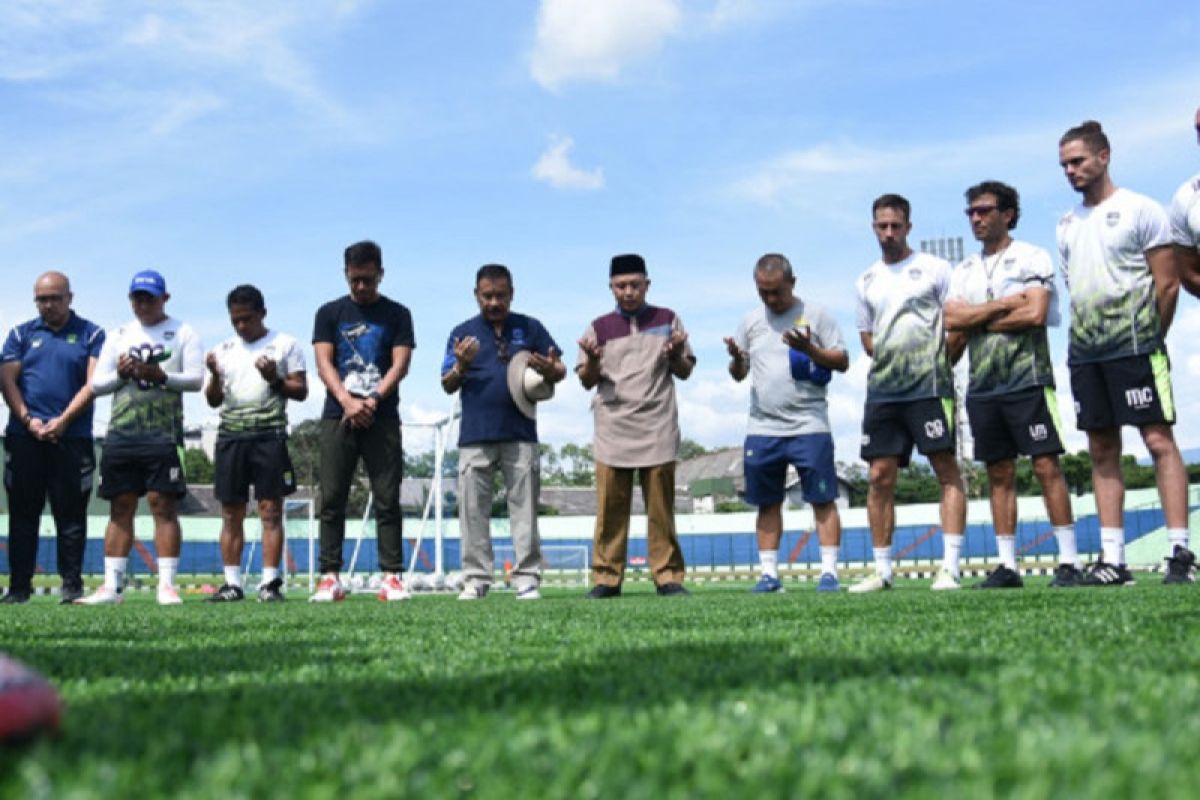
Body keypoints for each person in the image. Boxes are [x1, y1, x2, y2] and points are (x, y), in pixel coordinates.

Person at [1056, 120, 1192, 585]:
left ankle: (1180, 552)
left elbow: (1167, 283)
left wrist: (1150, 337)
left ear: (1103, 156)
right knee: (1101, 448)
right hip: (1085, 353)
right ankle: (1114, 559)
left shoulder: (1142, 210)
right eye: (1064, 165)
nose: (1070, 171)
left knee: (1157, 441)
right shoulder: (1067, 223)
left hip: (1136, 349)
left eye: (1077, 161)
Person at [944, 181, 1084, 589]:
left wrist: (978, 318)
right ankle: (1008, 565)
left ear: (1008, 214)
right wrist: (1004, 304)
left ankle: (1070, 562)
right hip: (982, 386)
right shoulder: (964, 270)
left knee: (1046, 466)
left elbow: (1035, 313)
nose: (976, 218)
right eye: (971, 212)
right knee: (998, 473)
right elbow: (952, 320)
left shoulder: (1031, 256)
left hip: (1029, 379)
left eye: (984, 210)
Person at [852, 194, 966, 593]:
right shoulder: (865, 280)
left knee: (945, 469)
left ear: (908, 227)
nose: (888, 233)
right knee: (879, 476)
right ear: (873, 228)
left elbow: (958, 323)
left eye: (895, 226)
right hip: (883, 391)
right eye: (881, 226)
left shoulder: (935, 268)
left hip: (930, 389)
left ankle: (949, 567)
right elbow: (867, 337)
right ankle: (882, 571)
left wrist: (937, 364)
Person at [724, 254, 849, 593]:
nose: (770, 299)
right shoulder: (750, 321)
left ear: (792, 282)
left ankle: (829, 573)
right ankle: (769, 575)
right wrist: (736, 360)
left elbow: (842, 360)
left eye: (776, 292)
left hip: (810, 423)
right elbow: (739, 375)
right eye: (763, 292)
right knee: (767, 502)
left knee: (822, 500)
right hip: (763, 427)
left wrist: (811, 349)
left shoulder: (818, 315)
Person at [77, 270, 203, 605]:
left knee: (163, 506)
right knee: (120, 506)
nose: (143, 304)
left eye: (150, 297)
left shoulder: (183, 331)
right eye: (137, 297)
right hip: (121, 433)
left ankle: (167, 585)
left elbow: (196, 380)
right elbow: (96, 385)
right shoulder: (119, 334)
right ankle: (111, 588)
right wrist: (120, 374)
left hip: (162, 434)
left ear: (165, 298)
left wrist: (161, 376)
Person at [441, 264, 565, 601]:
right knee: (472, 511)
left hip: (520, 433)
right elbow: (447, 384)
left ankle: (527, 578)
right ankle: (476, 579)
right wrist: (462, 364)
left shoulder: (530, 327)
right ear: (476, 295)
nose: (494, 302)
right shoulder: (462, 332)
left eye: (501, 295)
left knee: (524, 509)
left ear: (512, 293)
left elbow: (559, 369)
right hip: (475, 436)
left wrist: (551, 369)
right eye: (487, 296)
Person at [577, 253, 694, 598]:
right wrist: (593, 364)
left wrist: (674, 354)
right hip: (613, 426)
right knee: (610, 510)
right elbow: (586, 380)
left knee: (661, 508)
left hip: (657, 422)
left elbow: (685, 370)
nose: (628, 292)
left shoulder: (668, 319)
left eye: (635, 285)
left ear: (647, 284)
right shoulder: (598, 327)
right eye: (621, 286)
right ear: (611, 287)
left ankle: (668, 576)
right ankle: (606, 578)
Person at [311, 240, 415, 602]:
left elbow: (400, 364)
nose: (360, 287)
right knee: (332, 497)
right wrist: (346, 401)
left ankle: (391, 577)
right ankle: (329, 576)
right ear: (346, 275)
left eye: (368, 280)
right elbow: (323, 362)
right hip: (338, 416)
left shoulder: (398, 314)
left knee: (387, 497)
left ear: (380, 274)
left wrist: (371, 399)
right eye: (354, 280)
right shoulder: (329, 313)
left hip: (382, 416)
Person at [0, 272, 104, 604]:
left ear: (69, 298)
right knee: (22, 514)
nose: (48, 305)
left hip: (71, 438)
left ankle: (71, 586)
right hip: (24, 437)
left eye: (55, 298)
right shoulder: (20, 333)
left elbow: (93, 383)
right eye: (41, 299)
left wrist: (62, 421)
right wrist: (29, 421)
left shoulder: (92, 334)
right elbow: (6, 381)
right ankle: (19, 587)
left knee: (71, 515)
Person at [204, 285, 308, 603]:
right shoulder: (222, 350)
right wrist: (214, 376)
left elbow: (301, 390)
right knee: (231, 513)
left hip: (269, 435)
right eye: (235, 320)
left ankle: (269, 584)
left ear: (262, 313)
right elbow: (212, 400)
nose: (241, 326)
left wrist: (275, 378)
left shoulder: (285, 344)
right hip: (231, 435)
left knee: (270, 511)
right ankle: (232, 584)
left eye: (247, 319)